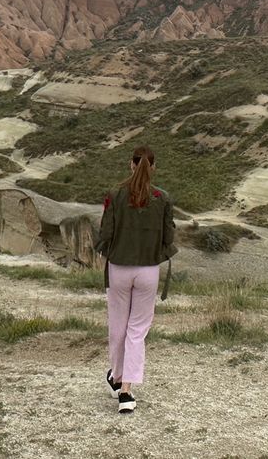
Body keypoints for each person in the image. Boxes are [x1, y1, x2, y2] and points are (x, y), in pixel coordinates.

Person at [94, 146, 177, 414]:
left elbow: (105, 233)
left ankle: (117, 377)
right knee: (137, 331)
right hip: (148, 270)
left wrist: (108, 251)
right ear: (154, 167)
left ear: (131, 164)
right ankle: (126, 391)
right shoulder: (162, 198)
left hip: (119, 267)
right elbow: (169, 237)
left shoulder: (115, 194)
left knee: (118, 326)